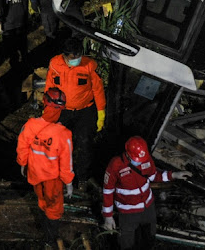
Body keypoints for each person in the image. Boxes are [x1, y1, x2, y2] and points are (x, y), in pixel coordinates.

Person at [102, 136, 192, 249]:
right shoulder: (115, 165)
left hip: (148, 207)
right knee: (127, 243)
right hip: (128, 212)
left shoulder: (146, 158)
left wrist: (173, 175)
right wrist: (108, 216)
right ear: (128, 154)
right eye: (136, 160)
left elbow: (154, 175)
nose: (139, 163)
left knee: (149, 238)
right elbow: (107, 191)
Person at [44, 37, 106, 190]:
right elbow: (49, 86)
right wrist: (48, 110)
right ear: (65, 55)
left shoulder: (89, 66)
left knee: (85, 143)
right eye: (73, 58)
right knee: (61, 145)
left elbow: (98, 90)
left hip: (85, 111)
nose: (76, 60)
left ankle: (83, 177)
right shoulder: (55, 64)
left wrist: (101, 113)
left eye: (79, 56)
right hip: (63, 111)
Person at [16, 88, 74, 248]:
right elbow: (66, 161)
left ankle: (45, 233)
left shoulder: (30, 125)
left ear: (44, 103)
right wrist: (68, 182)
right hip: (52, 180)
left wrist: (23, 163)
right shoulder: (63, 134)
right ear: (61, 108)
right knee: (54, 208)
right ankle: (50, 238)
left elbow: (22, 146)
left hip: (34, 174)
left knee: (41, 202)